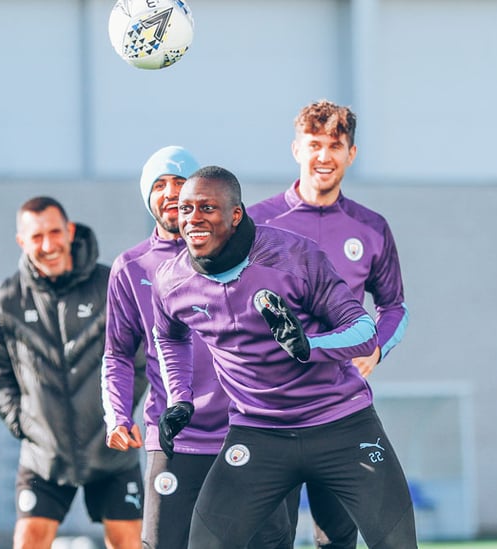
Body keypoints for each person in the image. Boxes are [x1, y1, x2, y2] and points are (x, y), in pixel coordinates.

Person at [152, 166, 418, 548]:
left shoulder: (293, 255)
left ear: (236, 215)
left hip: (341, 425)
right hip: (258, 433)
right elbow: (169, 336)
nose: (194, 218)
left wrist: (309, 345)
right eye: (186, 208)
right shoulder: (170, 280)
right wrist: (179, 398)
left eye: (207, 208)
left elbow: (363, 329)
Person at [101, 147, 291, 549]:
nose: (170, 193)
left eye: (179, 183)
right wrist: (117, 414)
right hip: (176, 440)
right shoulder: (132, 267)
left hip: (251, 432)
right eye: (159, 185)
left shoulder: (249, 256)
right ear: (147, 196)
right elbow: (118, 352)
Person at [249, 99, 409, 548]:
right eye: (315, 144)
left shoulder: (372, 228)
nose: (324, 155)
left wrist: (376, 349)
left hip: (339, 412)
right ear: (296, 149)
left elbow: (395, 305)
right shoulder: (256, 223)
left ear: (350, 154)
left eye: (335, 145)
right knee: (268, 540)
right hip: (268, 412)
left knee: (338, 540)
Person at [0, 196, 145, 549]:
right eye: (36, 237)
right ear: (22, 241)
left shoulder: (111, 284)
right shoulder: (4, 300)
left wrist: (121, 411)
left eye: (55, 232)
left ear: (69, 231)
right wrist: (23, 422)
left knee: (128, 543)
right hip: (44, 454)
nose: (48, 245)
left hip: (111, 448)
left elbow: (139, 356)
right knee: (29, 541)